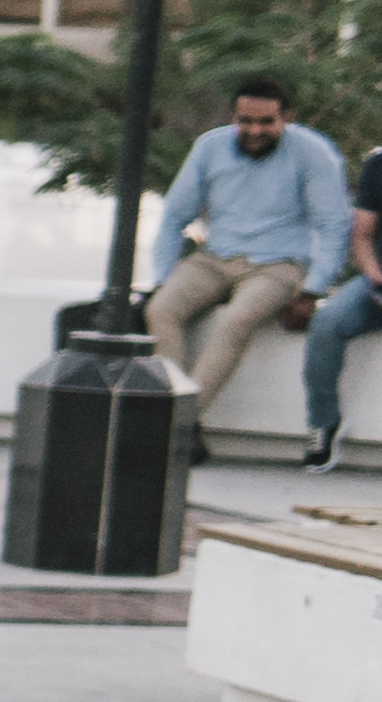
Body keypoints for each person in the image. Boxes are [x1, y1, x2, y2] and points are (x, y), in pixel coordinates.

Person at [148, 75, 349, 444]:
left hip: (279, 265)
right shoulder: (210, 147)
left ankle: (180, 424)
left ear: (286, 118)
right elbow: (175, 216)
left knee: (236, 321)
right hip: (213, 257)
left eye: (266, 122)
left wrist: (313, 289)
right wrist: (162, 276)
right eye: (246, 121)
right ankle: (175, 416)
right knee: (160, 309)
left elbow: (334, 225)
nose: (255, 130)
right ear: (234, 118)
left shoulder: (314, 151)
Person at [294, 135, 382, 470]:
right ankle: (323, 423)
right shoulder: (378, 163)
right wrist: (375, 276)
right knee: (328, 321)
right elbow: (362, 235)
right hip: (377, 284)